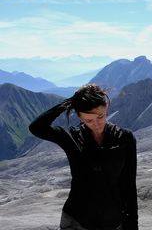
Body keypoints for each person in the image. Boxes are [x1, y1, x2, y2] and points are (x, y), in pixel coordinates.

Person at [29, 83, 138, 230]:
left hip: (113, 221)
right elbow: (36, 127)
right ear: (79, 116)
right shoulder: (70, 137)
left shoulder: (125, 138)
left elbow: (129, 185)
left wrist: (132, 225)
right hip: (76, 220)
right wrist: (70, 102)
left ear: (106, 107)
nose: (97, 123)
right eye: (89, 120)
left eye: (100, 116)